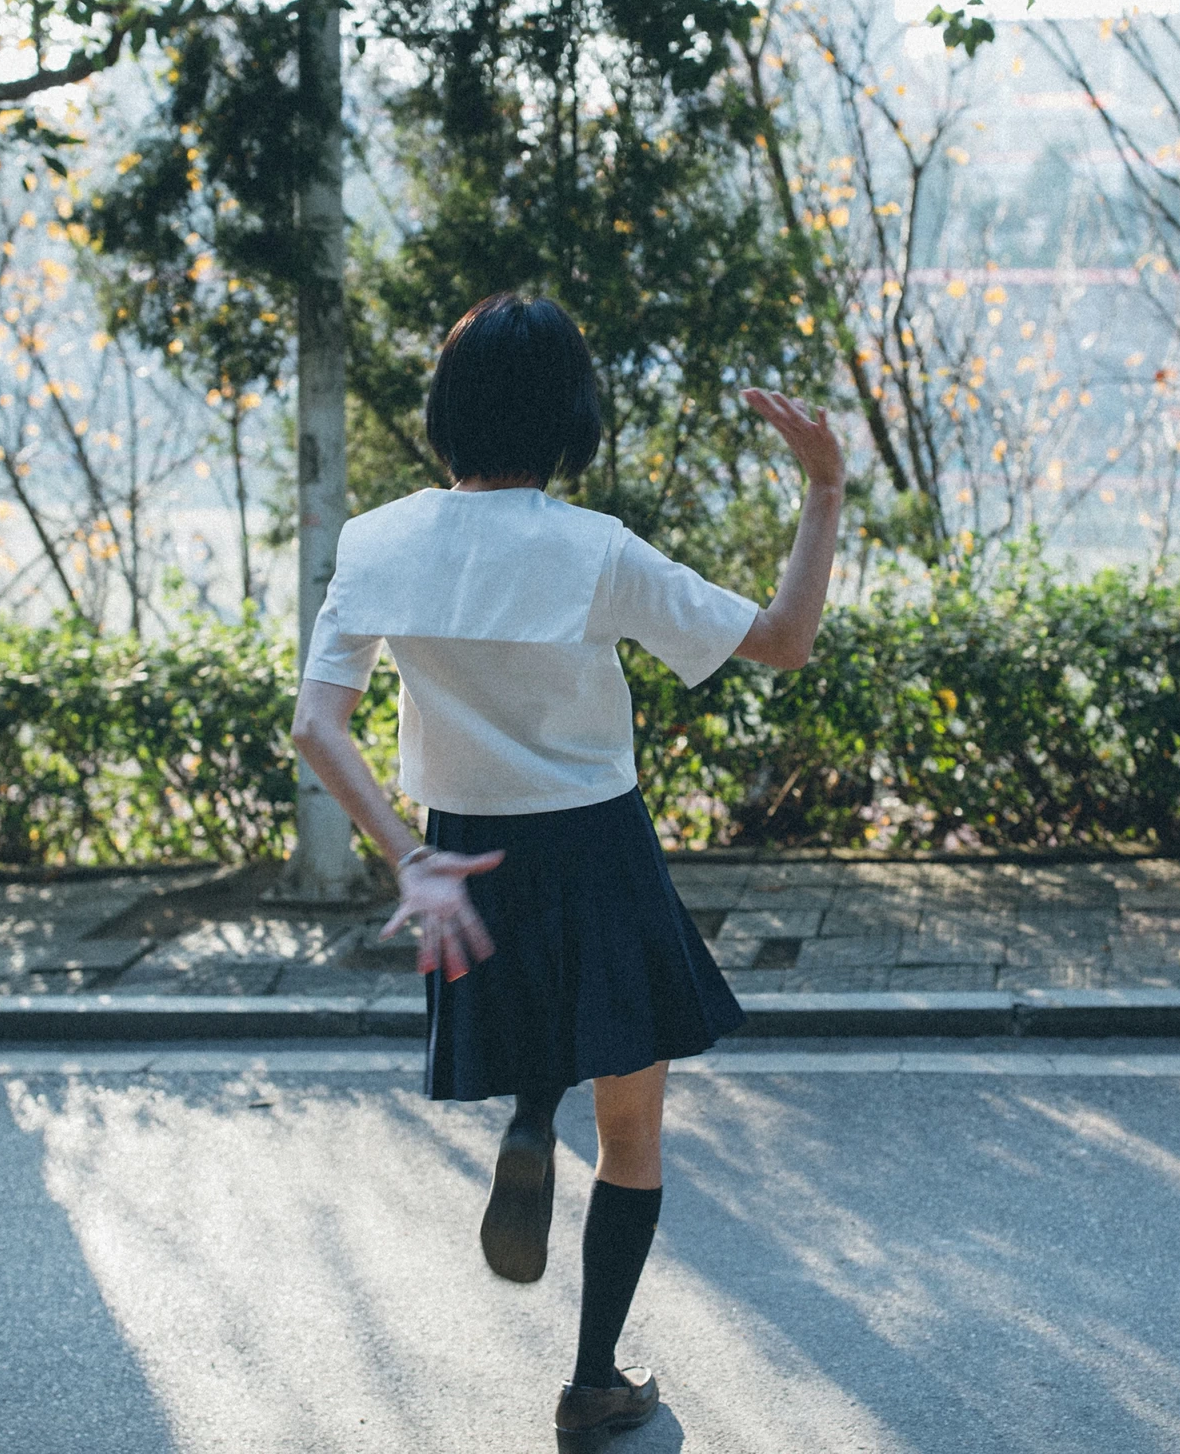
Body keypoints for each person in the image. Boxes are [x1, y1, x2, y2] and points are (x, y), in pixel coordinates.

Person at [290, 291, 843, 1449]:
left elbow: (317, 728)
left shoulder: (380, 540)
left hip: (465, 854)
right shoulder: (593, 552)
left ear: (446, 415)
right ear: (570, 422)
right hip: (597, 851)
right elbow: (786, 640)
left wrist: (410, 863)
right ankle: (594, 1381)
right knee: (633, 1134)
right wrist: (825, 488)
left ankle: (533, 1105)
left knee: (548, 1041)